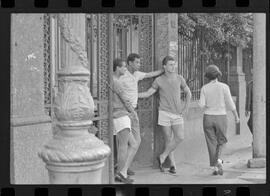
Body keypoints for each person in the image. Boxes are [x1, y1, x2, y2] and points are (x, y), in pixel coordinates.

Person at [138, 56, 191, 174]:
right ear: (164, 66)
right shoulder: (159, 80)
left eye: (174, 64)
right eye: (171, 65)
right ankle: (173, 165)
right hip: (164, 113)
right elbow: (148, 93)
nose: (173, 67)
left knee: (180, 137)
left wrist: (186, 107)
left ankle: (162, 156)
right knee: (168, 139)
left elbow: (188, 93)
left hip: (177, 113)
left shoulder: (179, 78)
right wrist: (133, 95)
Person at [118, 53, 164, 176]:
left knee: (136, 141)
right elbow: (118, 93)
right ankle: (122, 169)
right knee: (126, 143)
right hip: (124, 111)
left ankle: (124, 167)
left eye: (139, 62)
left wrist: (162, 70)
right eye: (137, 62)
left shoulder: (137, 75)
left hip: (133, 111)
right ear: (130, 63)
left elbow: (149, 74)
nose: (139, 64)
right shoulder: (122, 76)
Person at [198, 65, 240, 176]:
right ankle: (219, 161)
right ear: (218, 75)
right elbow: (231, 104)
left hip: (208, 117)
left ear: (207, 76)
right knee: (222, 141)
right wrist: (236, 116)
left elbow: (201, 105)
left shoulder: (204, 88)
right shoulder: (224, 87)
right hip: (221, 117)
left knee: (211, 143)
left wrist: (208, 102)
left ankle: (215, 168)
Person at [112, 58, 137, 184]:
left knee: (133, 144)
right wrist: (133, 113)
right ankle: (120, 174)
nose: (125, 69)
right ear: (117, 68)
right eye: (123, 67)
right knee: (123, 146)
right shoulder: (117, 82)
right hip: (121, 115)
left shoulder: (113, 80)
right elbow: (125, 100)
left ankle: (122, 171)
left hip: (119, 115)